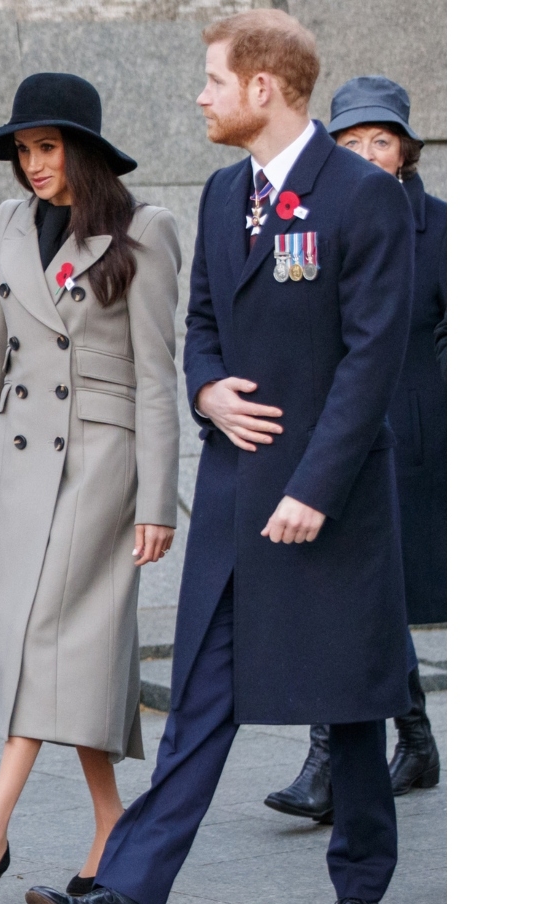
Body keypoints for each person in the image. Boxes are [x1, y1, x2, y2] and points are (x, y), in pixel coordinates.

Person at [25, 11, 415, 904]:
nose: (200, 96)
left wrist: (317, 487)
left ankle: (360, 891)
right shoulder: (217, 193)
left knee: (353, 702)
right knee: (202, 695)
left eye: (212, 80)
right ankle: (133, 897)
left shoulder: (365, 199)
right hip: (240, 495)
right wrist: (206, 387)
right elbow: (201, 324)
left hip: (333, 504)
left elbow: (374, 361)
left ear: (264, 89)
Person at [0, 72, 181, 904]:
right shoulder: (7, 223)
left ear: (85, 150)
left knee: (43, 638)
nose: (32, 165)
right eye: (23, 150)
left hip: (103, 465)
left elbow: (156, 379)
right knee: (56, 650)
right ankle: (112, 827)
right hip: (26, 463)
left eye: (47, 147)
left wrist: (156, 502)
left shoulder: (144, 230)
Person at [265, 76, 446, 824]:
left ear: (406, 150)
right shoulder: (310, 222)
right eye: (351, 142)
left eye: (382, 139)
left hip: (412, 440)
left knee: (375, 596)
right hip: (334, 438)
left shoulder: (442, 228)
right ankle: (404, 738)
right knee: (352, 593)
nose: (369, 154)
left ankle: (336, 760)